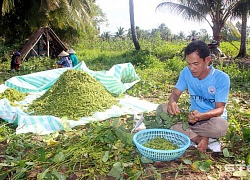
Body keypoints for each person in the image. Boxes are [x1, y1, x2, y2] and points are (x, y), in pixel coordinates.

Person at [160, 40, 230, 152]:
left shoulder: (221, 78)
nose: (191, 68)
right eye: (188, 64)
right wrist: (172, 102)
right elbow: (175, 94)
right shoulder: (186, 73)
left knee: (221, 126)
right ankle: (199, 138)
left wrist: (201, 116)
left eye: (196, 64)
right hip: (191, 118)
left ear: (207, 60)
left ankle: (192, 134)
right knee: (162, 109)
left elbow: (219, 109)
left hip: (212, 120)